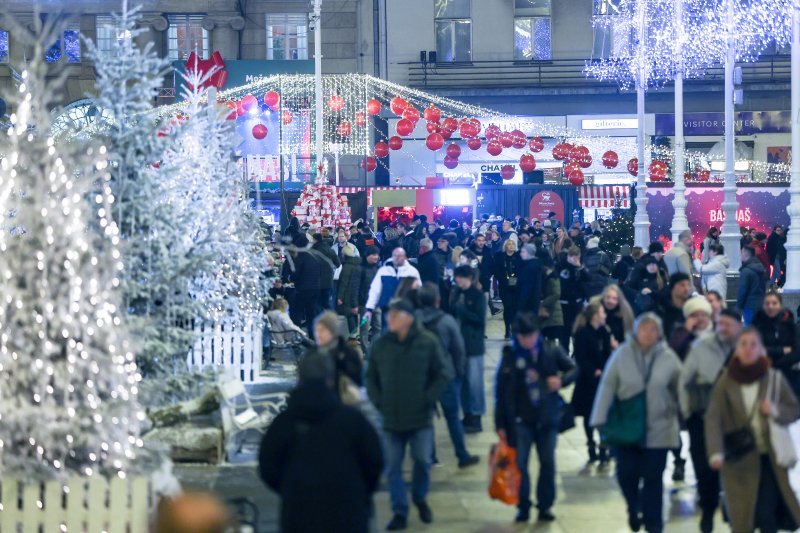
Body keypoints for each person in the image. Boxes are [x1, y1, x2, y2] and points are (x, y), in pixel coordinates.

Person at [258, 353, 383, 533]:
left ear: (300, 379)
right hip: (349, 513)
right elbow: (374, 462)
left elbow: (268, 466)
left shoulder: (284, 423)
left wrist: (290, 488)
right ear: (330, 380)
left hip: (299, 514)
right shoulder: (352, 421)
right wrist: (359, 490)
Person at [591, 313, 682, 533]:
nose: (649, 334)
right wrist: (599, 420)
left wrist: (684, 414)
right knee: (626, 475)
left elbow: (681, 389)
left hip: (659, 428)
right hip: (627, 427)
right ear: (635, 331)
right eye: (645, 328)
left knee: (653, 480)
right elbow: (607, 386)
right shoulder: (621, 354)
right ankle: (633, 507)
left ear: (659, 333)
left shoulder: (668, 357)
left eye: (654, 329)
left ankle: (654, 525)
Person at [704, 328, 800, 533]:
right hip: (738, 460)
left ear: (761, 349)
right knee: (742, 518)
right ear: (736, 350)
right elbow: (713, 418)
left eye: (753, 344)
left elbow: (793, 409)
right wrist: (715, 451)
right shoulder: (725, 381)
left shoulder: (773, 378)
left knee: (767, 516)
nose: (748, 349)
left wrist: (774, 410)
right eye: (743, 344)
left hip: (768, 459)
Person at [366, 299, 448, 531]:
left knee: (422, 460)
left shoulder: (427, 342)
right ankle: (399, 510)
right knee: (393, 468)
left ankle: (420, 496)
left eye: (394, 315)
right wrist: (378, 400)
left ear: (408, 318)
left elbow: (441, 374)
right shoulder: (381, 345)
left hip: (420, 417)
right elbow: (370, 376)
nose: (389, 319)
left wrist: (428, 398)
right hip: (390, 417)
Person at [495, 313, 577, 524]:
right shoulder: (511, 356)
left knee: (548, 463)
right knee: (521, 465)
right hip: (521, 420)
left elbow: (574, 368)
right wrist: (500, 424)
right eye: (522, 337)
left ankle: (545, 506)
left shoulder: (550, 350)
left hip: (547, 418)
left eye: (530, 336)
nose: (526, 341)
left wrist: (561, 380)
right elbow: (502, 393)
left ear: (537, 334)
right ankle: (523, 506)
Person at [679, 308, 743, 533]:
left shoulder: (749, 350)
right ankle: (708, 509)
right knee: (704, 467)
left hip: (735, 420)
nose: (724, 328)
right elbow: (684, 381)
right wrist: (687, 413)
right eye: (721, 324)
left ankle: (730, 506)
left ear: (739, 327)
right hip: (702, 417)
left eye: (729, 324)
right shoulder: (702, 346)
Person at [416, 283, 480, 468]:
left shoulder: (413, 322)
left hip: (422, 377)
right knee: (453, 418)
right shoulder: (446, 321)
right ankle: (461, 455)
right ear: (437, 300)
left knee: (426, 419)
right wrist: (458, 373)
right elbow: (459, 350)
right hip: (446, 375)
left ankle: (430, 456)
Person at [571, 301, 615, 466]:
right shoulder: (583, 333)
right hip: (587, 381)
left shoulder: (604, 331)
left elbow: (607, 354)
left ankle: (603, 448)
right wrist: (593, 371)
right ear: (595, 315)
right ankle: (591, 444)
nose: (605, 315)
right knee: (589, 415)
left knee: (604, 416)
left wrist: (605, 369)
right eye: (602, 313)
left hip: (602, 381)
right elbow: (581, 358)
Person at [450, 265, 488, 434]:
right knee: (463, 383)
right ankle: (467, 415)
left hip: (473, 346)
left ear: (470, 279)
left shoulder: (478, 295)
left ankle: (476, 417)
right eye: (457, 277)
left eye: (462, 278)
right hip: (458, 345)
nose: (459, 281)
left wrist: (463, 311)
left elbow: (480, 320)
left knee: (474, 383)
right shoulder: (456, 293)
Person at [752, 291, 800, 395]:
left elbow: (796, 351)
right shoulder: (757, 325)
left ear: (780, 305)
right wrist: (782, 350)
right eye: (767, 303)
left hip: (786, 371)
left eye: (774, 303)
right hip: (763, 371)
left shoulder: (789, 325)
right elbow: (756, 350)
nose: (770, 306)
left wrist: (778, 361)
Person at [364, 247, 421, 329]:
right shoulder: (383, 271)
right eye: (395, 255)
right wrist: (369, 308)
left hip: (406, 310)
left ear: (405, 257)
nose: (397, 257)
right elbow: (375, 290)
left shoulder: (412, 272)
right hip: (387, 309)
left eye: (400, 255)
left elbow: (418, 291)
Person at [284, 234, 320, 336]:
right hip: (315, 288)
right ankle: (313, 336)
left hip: (303, 289)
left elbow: (296, 274)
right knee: (311, 313)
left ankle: (298, 335)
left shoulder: (301, 258)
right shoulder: (314, 256)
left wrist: (290, 278)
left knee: (297, 312)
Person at [558, 246, 590, 351]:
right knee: (564, 332)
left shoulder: (580, 267)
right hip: (564, 304)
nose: (576, 260)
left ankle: (578, 354)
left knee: (578, 330)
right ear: (569, 256)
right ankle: (564, 354)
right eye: (574, 257)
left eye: (578, 257)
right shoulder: (561, 266)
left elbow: (588, 278)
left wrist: (580, 267)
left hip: (577, 303)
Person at [668, 295, 713, 361]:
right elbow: (672, 354)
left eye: (703, 315)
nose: (700, 319)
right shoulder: (680, 332)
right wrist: (686, 331)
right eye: (696, 315)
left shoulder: (716, 331)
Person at [495, 238, 522, 339]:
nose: (511, 246)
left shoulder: (519, 257)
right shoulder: (500, 257)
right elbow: (497, 271)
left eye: (513, 244)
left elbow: (521, 270)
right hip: (504, 286)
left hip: (516, 286)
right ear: (506, 246)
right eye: (509, 244)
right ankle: (507, 329)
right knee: (508, 307)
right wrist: (503, 279)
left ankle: (514, 328)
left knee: (515, 308)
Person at [359, 246, 381, 352]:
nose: (376, 257)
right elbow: (356, 286)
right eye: (374, 254)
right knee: (364, 328)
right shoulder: (361, 268)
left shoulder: (377, 268)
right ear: (367, 255)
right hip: (364, 304)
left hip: (376, 303)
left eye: (377, 254)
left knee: (378, 326)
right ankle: (365, 350)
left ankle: (374, 348)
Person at [737, 245, 767, 325]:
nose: (740, 255)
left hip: (749, 305)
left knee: (749, 329)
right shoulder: (761, 268)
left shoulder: (746, 271)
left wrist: (738, 307)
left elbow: (742, 291)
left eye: (741, 253)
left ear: (746, 254)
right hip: (761, 303)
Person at [538, 252, 564, 344]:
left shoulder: (553, 277)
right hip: (549, 313)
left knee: (550, 341)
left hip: (552, 313)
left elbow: (556, 294)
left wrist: (543, 303)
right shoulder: (548, 276)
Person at [336, 243, 362, 335]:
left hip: (348, 293)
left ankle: (353, 335)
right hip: (358, 292)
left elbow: (344, 282)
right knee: (355, 314)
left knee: (349, 314)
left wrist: (339, 297)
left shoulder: (347, 266)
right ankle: (357, 334)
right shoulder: (359, 263)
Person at [313, 232, 341, 311]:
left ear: (315, 240)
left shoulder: (313, 250)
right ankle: (331, 319)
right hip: (328, 280)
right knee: (327, 302)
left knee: (317, 302)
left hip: (316, 280)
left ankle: (319, 320)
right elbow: (338, 264)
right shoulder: (330, 249)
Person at [517, 243, 543, 317]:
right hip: (534, 300)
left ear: (529, 253)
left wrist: (521, 302)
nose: (521, 254)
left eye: (523, 252)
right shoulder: (535, 264)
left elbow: (527, 286)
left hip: (529, 302)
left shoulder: (530, 267)